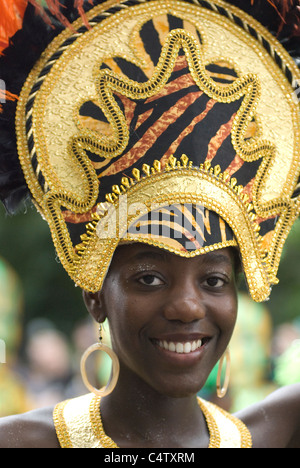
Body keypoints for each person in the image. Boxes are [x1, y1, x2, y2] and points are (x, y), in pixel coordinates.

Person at [0, 0, 299, 448]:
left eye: (214, 279)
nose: (188, 306)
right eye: (150, 277)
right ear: (96, 295)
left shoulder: (279, 431)